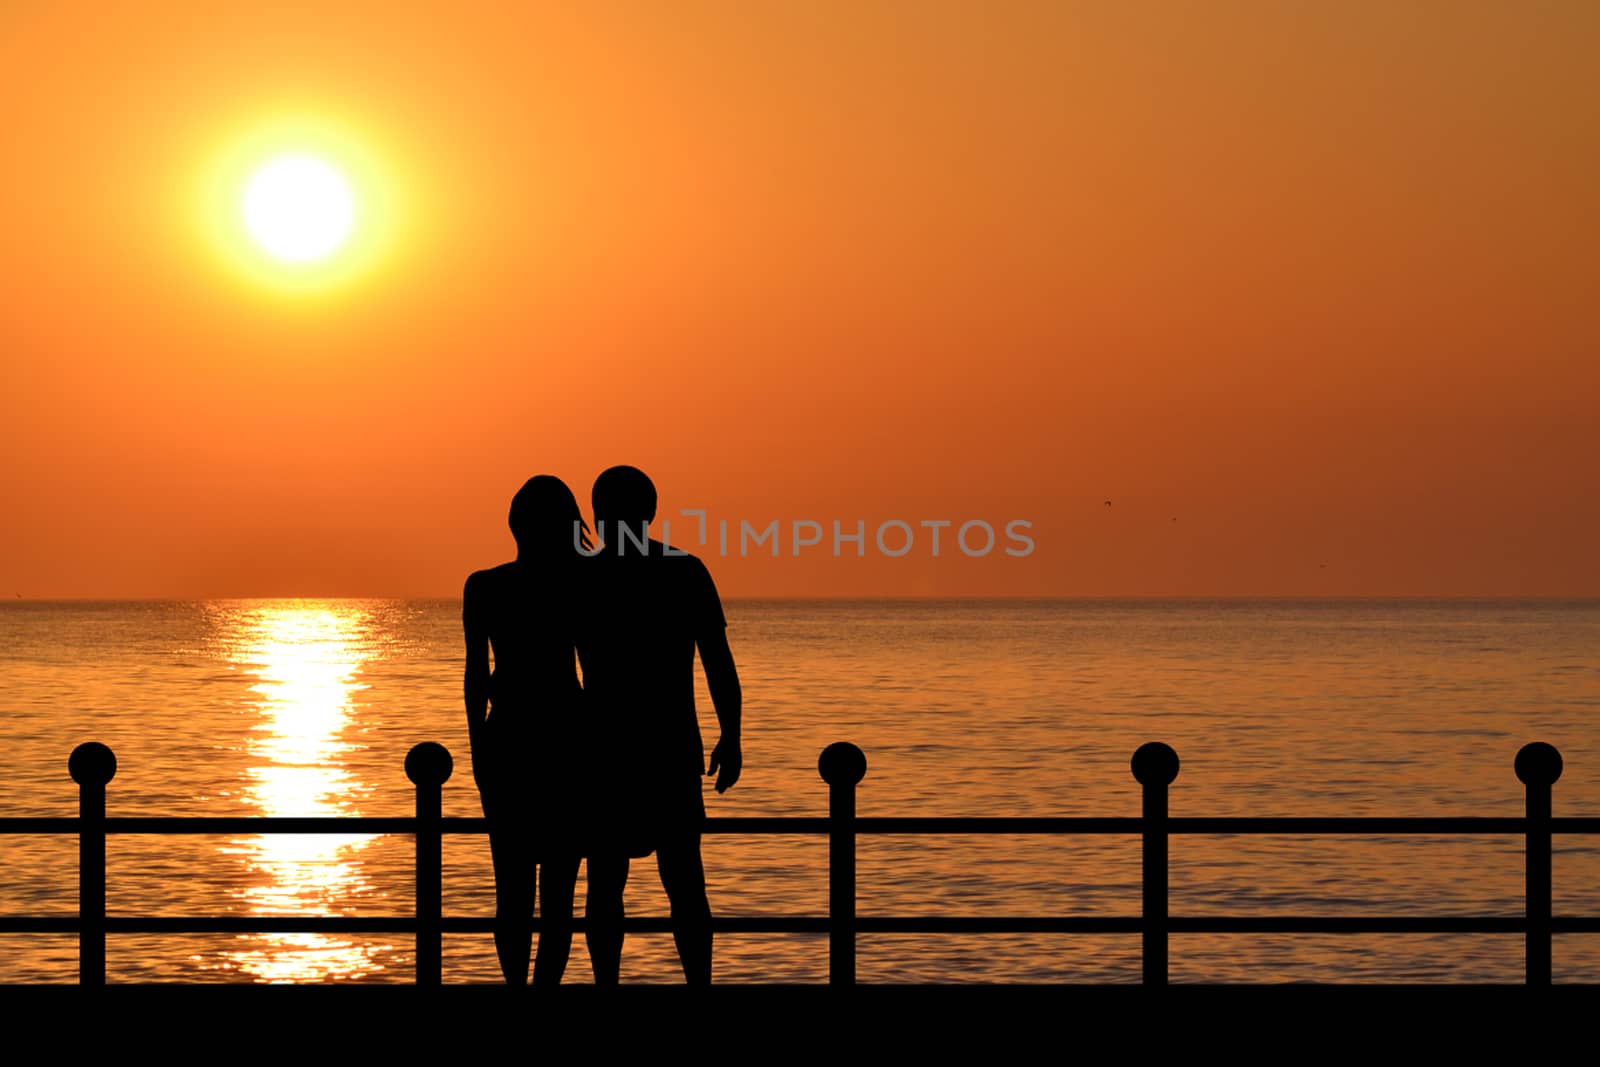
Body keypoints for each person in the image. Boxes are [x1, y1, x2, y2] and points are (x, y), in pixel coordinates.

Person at [579, 465, 742, 985]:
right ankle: (699, 985)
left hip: (605, 748)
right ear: (651, 512)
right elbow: (718, 661)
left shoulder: (583, 576)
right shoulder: (685, 571)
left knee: (607, 883)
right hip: (668, 745)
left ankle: (608, 986)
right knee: (683, 878)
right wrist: (731, 735)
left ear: (600, 515)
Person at [462, 475, 592, 986]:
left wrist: (477, 747)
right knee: (559, 890)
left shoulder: (486, 585)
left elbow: (476, 675)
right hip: (568, 734)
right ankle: (543, 992)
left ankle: (518, 990)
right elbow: (596, 671)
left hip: (510, 736)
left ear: (515, 524)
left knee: (512, 885)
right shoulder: (581, 585)